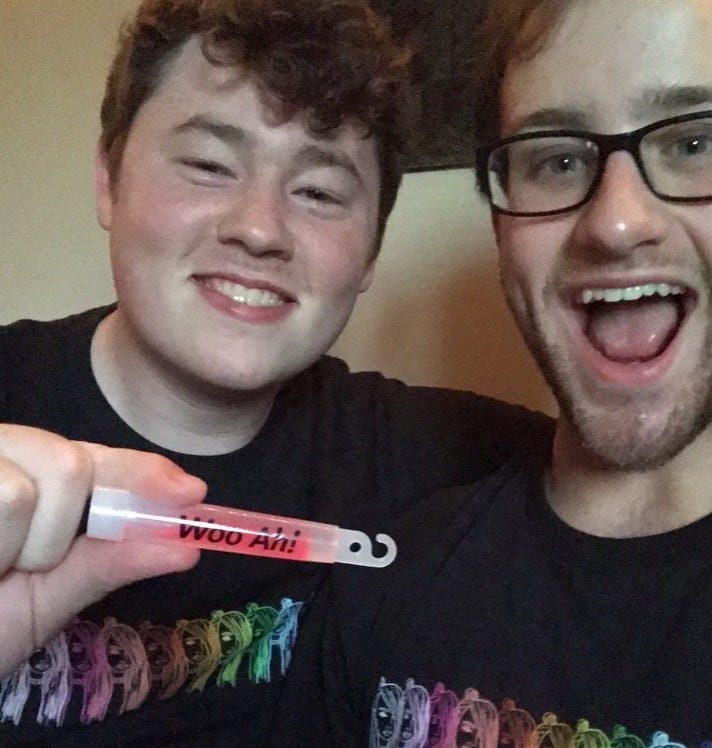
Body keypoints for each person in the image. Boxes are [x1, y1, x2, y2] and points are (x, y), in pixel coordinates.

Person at [0, 0, 554, 744]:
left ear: (371, 251)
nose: (259, 229)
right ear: (109, 178)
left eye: (319, 192)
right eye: (207, 164)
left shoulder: (452, 464)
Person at [284, 0, 712, 745]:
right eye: (556, 159)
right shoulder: (386, 587)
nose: (616, 222)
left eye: (696, 143)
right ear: (500, 225)